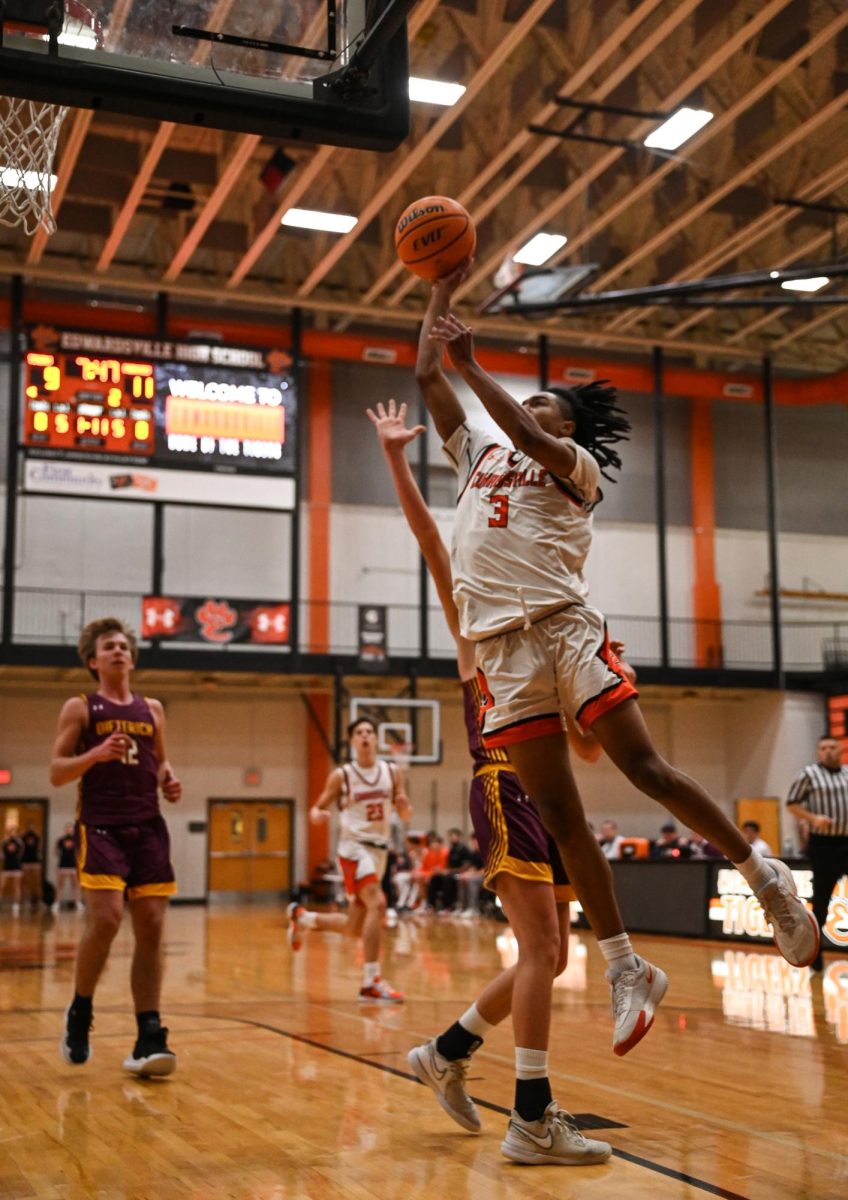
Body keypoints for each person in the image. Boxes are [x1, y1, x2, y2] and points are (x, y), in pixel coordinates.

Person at [418, 262, 819, 985]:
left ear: (565, 424)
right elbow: (425, 379)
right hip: (502, 651)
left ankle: (765, 878)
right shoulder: (478, 458)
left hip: (563, 628)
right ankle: (625, 967)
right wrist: (440, 291)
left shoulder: (571, 466)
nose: (528, 409)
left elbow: (522, 432)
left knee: (646, 769)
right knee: (560, 815)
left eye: (541, 401)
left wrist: (472, 364)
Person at [368, 399, 616, 1167]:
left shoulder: (560, 633)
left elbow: (592, 753)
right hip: (504, 786)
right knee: (541, 950)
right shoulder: (479, 628)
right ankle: (532, 1117)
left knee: (554, 956)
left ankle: (446, 1050)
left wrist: (602, 691)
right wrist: (395, 460)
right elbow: (432, 542)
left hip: (553, 799)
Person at [50, 617, 182, 1075]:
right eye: (109, 646)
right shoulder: (81, 707)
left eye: (124, 645)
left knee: (150, 925)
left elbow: (161, 761)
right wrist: (95, 754)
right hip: (101, 826)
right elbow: (57, 771)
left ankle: (149, 1034)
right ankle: (80, 1010)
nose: (119, 651)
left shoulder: (153, 709)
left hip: (148, 827)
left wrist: (169, 779)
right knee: (105, 919)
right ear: (93, 659)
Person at [287, 716, 412, 1002]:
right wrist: (317, 815)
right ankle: (371, 980)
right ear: (352, 741)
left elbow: (404, 813)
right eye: (360, 732)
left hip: (380, 851)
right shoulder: (342, 775)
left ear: (376, 740)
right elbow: (316, 808)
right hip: (353, 848)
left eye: (370, 731)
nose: (366, 736)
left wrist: (405, 808)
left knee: (353, 927)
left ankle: (303, 917)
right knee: (377, 903)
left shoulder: (392, 773)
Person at [786, 735, 848, 972]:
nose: (828, 751)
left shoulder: (846, 774)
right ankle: (816, 952)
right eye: (823, 748)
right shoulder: (808, 774)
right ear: (818, 752)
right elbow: (792, 804)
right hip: (824, 845)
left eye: (832, 747)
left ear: (840, 749)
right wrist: (813, 819)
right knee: (821, 900)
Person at [427, 827, 471, 912]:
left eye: (454, 835)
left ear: (459, 837)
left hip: (460, 873)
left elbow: (466, 866)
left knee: (448, 878)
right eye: (450, 836)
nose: (452, 837)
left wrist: (450, 871)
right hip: (451, 872)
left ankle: (448, 906)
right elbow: (448, 865)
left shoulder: (463, 849)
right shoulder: (451, 850)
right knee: (434, 879)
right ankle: (431, 905)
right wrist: (441, 871)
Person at [55, 822, 83, 911]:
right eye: (67, 829)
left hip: (73, 865)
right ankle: (56, 903)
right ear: (65, 830)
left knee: (75, 885)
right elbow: (56, 851)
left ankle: (78, 903)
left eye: (71, 829)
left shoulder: (77, 840)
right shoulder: (60, 840)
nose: (69, 830)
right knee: (60, 885)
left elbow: (80, 852)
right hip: (63, 865)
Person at [1, 825, 23, 916]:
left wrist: (17, 859)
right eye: (10, 831)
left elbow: (22, 853)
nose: (12, 832)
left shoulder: (19, 842)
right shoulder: (4, 842)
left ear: (16, 832)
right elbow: (1, 854)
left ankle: (16, 904)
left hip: (16, 866)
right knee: (1, 885)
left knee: (16, 886)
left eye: (14, 831)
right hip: (6, 867)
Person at [20, 824, 42, 909]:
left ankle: (38, 901)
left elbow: (39, 848)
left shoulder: (37, 837)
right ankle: (23, 900)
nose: (31, 828)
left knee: (37, 882)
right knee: (24, 881)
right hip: (25, 861)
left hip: (35, 861)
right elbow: (21, 849)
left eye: (33, 826)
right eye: (30, 826)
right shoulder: (23, 837)